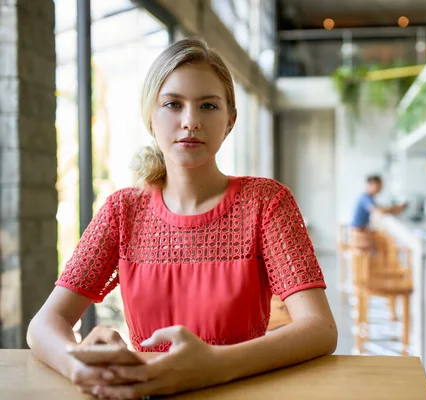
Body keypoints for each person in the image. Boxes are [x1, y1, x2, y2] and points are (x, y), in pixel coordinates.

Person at [27, 38, 337, 399]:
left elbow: (321, 328)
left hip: (241, 391)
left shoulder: (266, 203)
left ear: (230, 120)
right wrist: (79, 365)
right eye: (173, 104)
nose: (191, 122)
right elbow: (45, 324)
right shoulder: (122, 212)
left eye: (208, 105)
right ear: (150, 118)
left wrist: (217, 365)